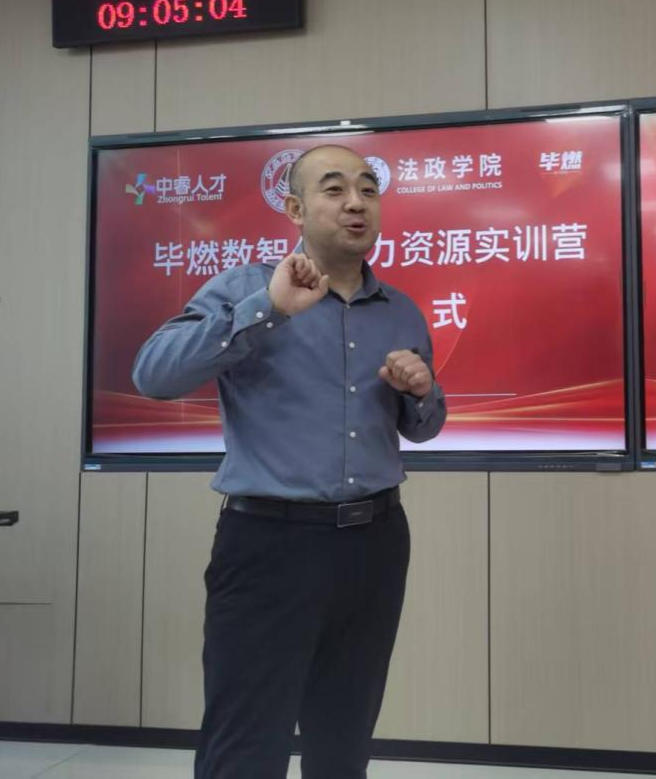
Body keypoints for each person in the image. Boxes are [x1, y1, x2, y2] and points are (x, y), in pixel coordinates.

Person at [133, 144, 446, 779]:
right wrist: (268, 310)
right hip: (270, 544)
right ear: (295, 209)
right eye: (334, 189)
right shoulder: (245, 289)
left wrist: (422, 393)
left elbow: (423, 428)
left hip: (376, 543)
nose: (356, 203)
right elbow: (153, 375)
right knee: (247, 738)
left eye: (368, 189)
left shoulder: (401, 312)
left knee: (345, 736)